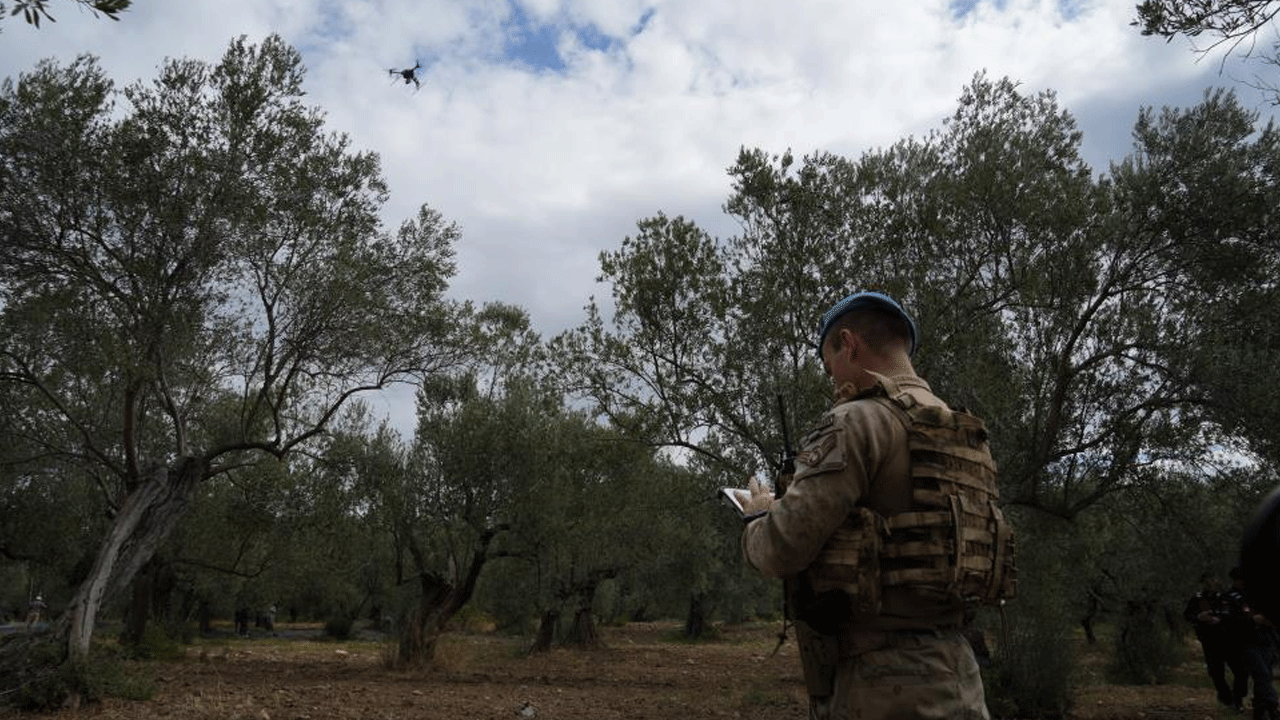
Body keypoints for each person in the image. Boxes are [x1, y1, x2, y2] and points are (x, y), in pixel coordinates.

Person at [739, 291, 1015, 720]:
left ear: (849, 344)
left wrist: (759, 515)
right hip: (959, 676)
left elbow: (782, 547)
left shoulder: (858, 421)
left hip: (881, 686)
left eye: (829, 363)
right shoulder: (966, 434)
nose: (832, 378)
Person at [1222, 567, 1278, 720]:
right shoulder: (1229, 598)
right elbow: (1229, 622)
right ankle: (1271, 705)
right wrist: (1252, 621)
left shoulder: (1256, 596)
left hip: (1265, 640)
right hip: (1244, 643)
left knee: (1265, 676)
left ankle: (1261, 710)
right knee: (1261, 674)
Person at [1184, 573, 1242, 709]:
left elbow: (1234, 615)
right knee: (1216, 671)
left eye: (1212, 580)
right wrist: (1199, 617)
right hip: (1208, 639)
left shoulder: (1225, 598)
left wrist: (1221, 619)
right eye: (1207, 581)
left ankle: (1237, 698)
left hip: (1227, 639)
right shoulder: (1197, 599)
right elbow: (1188, 615)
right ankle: (1227, 697)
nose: (1210, 584)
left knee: (1238, 670)